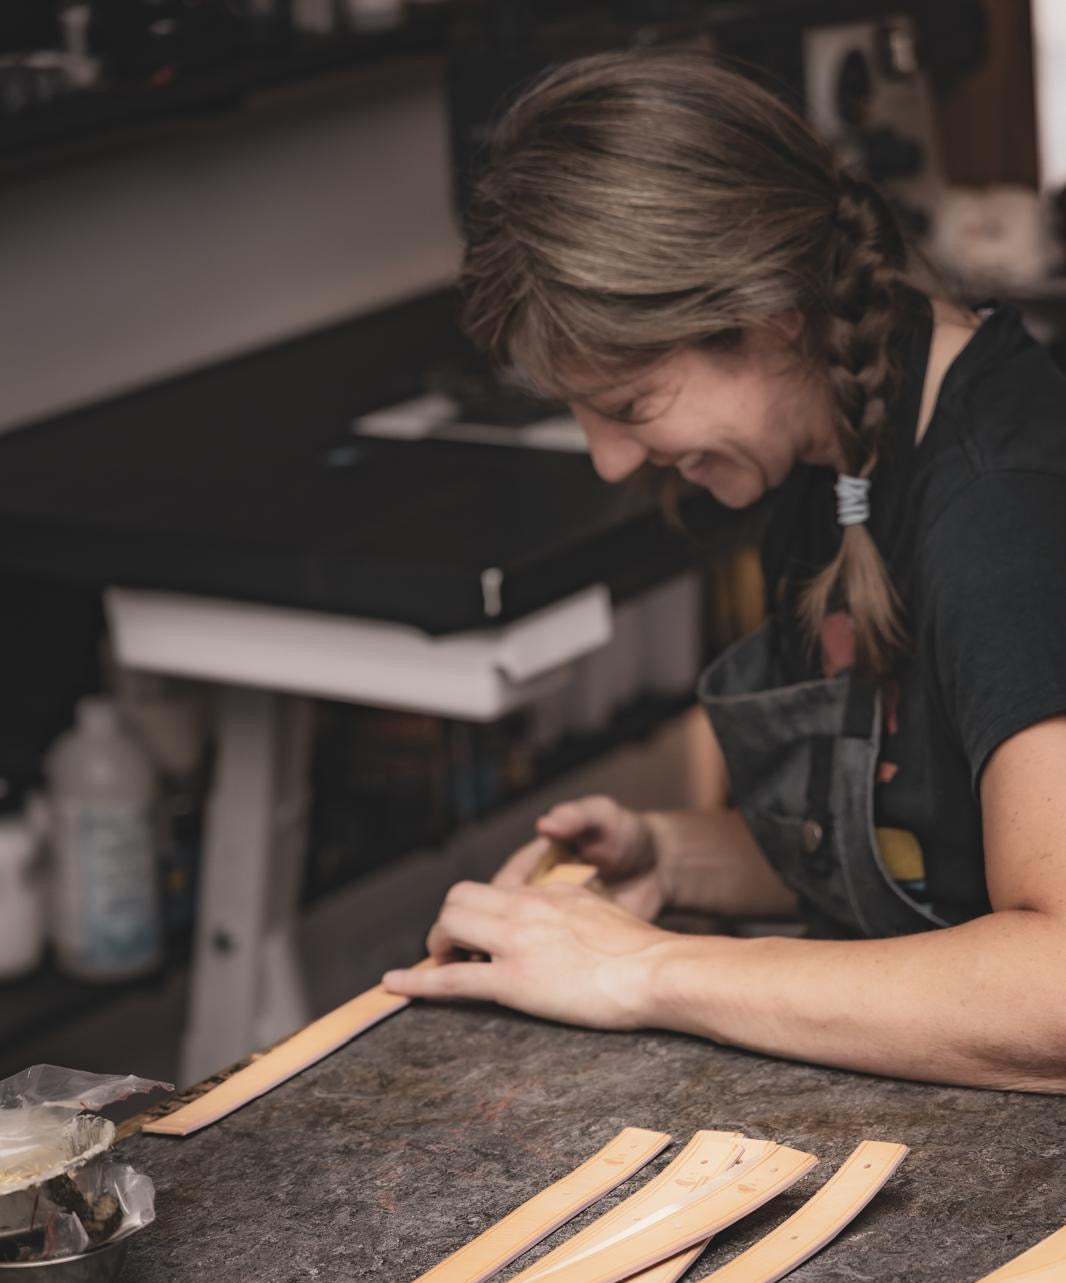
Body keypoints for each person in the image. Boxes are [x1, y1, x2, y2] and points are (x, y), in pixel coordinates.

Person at [383, 51, 1066, 1094]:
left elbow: (1052, 986)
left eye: (630, 404)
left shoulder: (1002, 506)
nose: (611, 460)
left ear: (766, 319)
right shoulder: (832, 440)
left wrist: (645, 970)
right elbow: (932, 839)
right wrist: (673, 856)